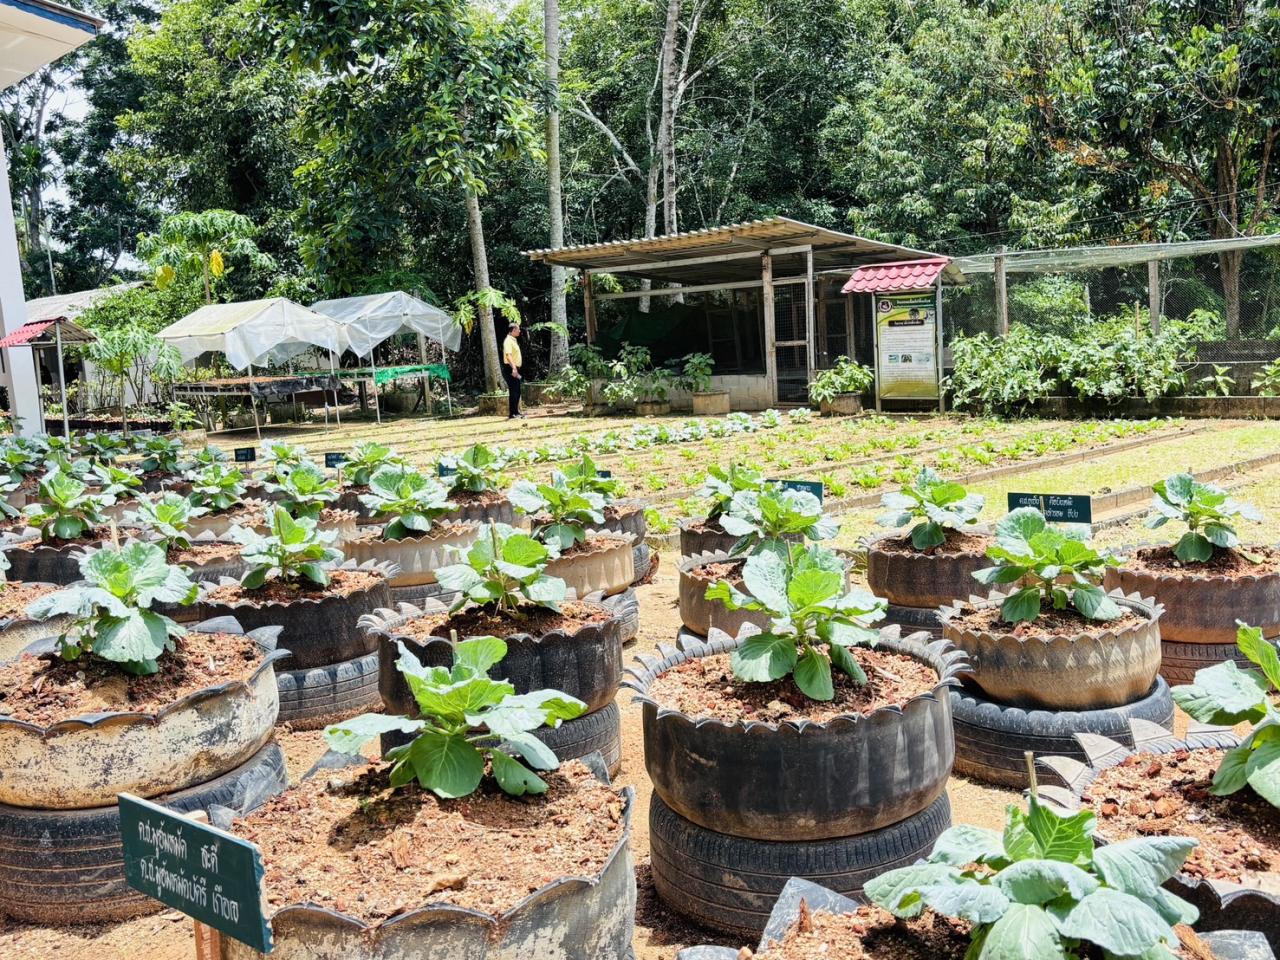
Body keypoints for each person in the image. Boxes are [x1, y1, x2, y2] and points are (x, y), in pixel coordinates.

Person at [502, 322, 523, 419]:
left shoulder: (513, 340)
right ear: (513, 330)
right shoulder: (508, 341)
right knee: (514, 391)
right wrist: (514, 368)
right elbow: (508, 355)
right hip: (510, 368)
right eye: (518, 329)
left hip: (515, 368)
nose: (519, 331)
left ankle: (516, 412)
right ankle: (513, 413)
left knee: (517, 391)